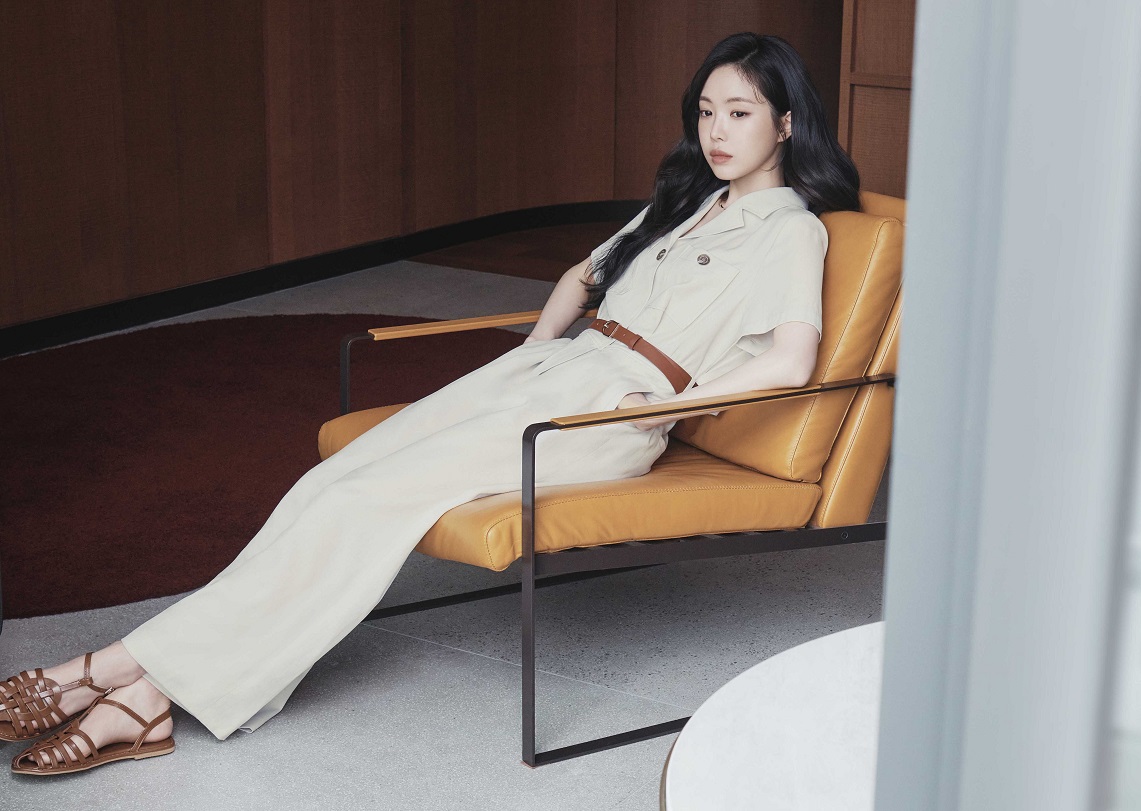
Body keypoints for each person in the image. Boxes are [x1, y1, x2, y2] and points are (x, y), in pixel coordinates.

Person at [0, 31, 859, 775]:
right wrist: (531, 353)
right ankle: (145, 685)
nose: (716, 131)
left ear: (786, 123)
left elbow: (791, 359)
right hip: (555, 372)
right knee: (336, 479)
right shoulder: (689, 201)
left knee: (368, 500)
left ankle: (117, 676)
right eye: (706, 111)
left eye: (739, 113)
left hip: (608, 413)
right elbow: (583, 274)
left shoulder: (791, 229)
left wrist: (667, 406)